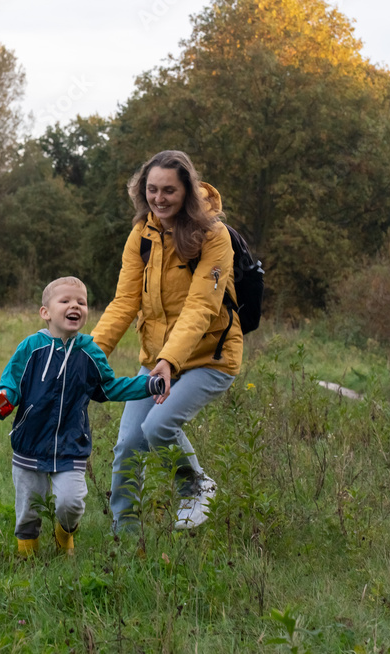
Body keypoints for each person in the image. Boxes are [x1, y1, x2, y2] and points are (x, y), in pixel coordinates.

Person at [91, 150, 243, 532]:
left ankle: (196, 486)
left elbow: (200, 307)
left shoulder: (214, 235)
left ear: (187, 191)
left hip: (210, 358)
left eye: (169, 191)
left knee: (157, 427)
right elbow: (125, 302)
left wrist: (170, 361)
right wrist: (87, 355)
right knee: (128, 444)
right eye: (152, 189)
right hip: (158, 359)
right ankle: (124, 531)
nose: (159, 198)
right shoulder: (141, 234)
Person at [0, 276, 166, 557]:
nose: (76, 306)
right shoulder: (30, 348)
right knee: (29, 509)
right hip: (30, 443)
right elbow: (11, 386)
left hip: (72, 444)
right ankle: (27, 556)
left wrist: (147, 384)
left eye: (81, 302)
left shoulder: (90, 351)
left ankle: (64, 533)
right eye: (66, 301)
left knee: (72, 503)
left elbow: (109, 387)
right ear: (46, 313)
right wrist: (1, 402)